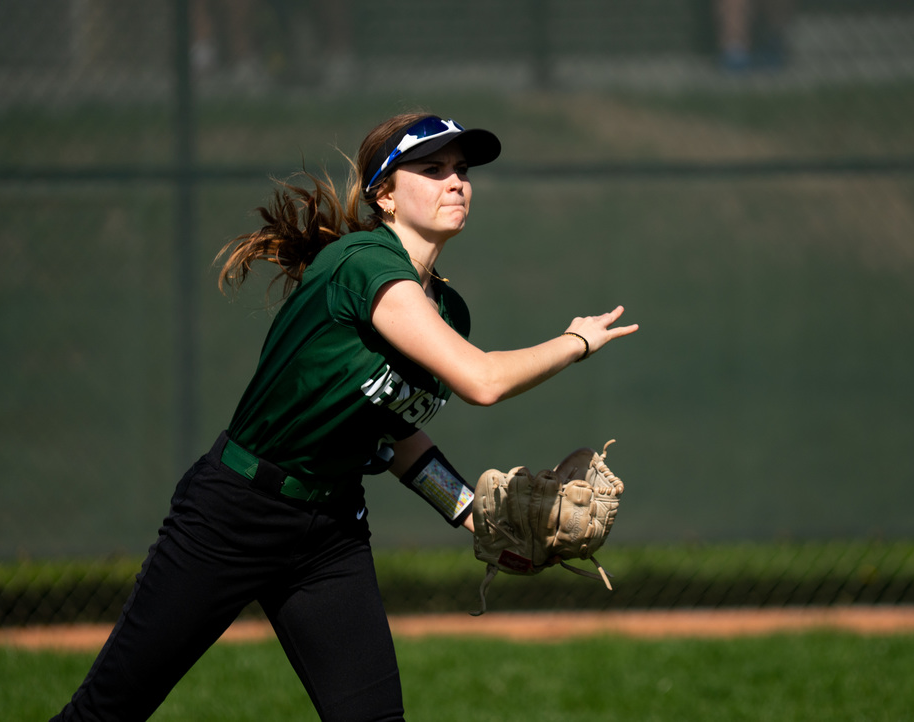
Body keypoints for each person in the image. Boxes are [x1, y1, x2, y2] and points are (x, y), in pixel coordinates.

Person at [50, 112, 638, 721]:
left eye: (462, 171)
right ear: (384, 194)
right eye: (432, 169)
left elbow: (396, 436)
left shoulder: (445, 309)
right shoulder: (362, 264)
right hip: (235, 511)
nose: (456, 182)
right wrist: (576, 342)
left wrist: (473, 516)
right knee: (108, 712)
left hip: (328, 531)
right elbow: (481, 382)